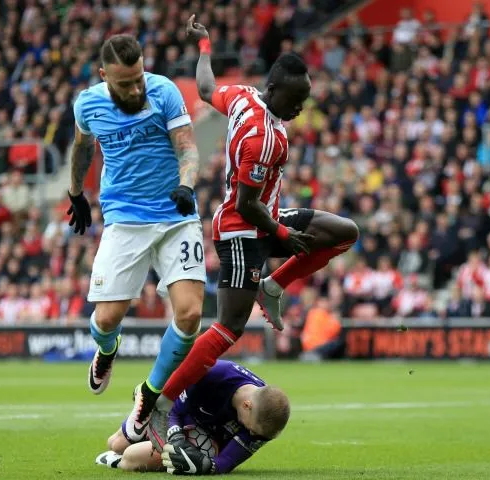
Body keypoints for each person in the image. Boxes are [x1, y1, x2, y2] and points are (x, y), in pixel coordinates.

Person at [144, 16, 359, 453]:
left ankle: (274, 285)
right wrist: (282, 232)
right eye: (296, 100)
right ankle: (162, 404)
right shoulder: (265, 140)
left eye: (305, 99)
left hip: (266, 214)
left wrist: (205, 46)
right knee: (228, 327)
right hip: (243, 230)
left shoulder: (243, 96)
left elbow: (206, 89)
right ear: (276, 91)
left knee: (343, 232)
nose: (300, 109)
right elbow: (245, 205)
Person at [67, 34, 206, 441]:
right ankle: (107, 349)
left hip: (175, 215)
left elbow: (187, 147)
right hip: (125, 219)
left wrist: (187, 184)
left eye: (139, 77)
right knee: (106, 319)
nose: (135, 88)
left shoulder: (163, 91)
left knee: (190, 314)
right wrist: (75, 193)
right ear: (104, 75)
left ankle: (149, 394)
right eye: (125, 82)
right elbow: (82, 149)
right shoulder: (88, 104)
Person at [94, 360, 289, 475]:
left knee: (130, 457)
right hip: (174, 413)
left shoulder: (265, 422)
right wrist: (176, 436)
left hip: (205, 439)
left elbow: (227, 461)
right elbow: (173, 410)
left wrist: (206, 466)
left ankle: (118, 461)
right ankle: (145, 400)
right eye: (252, 429)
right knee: (116, 443)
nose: (252, 434)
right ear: (246, 406)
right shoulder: (213, 375)